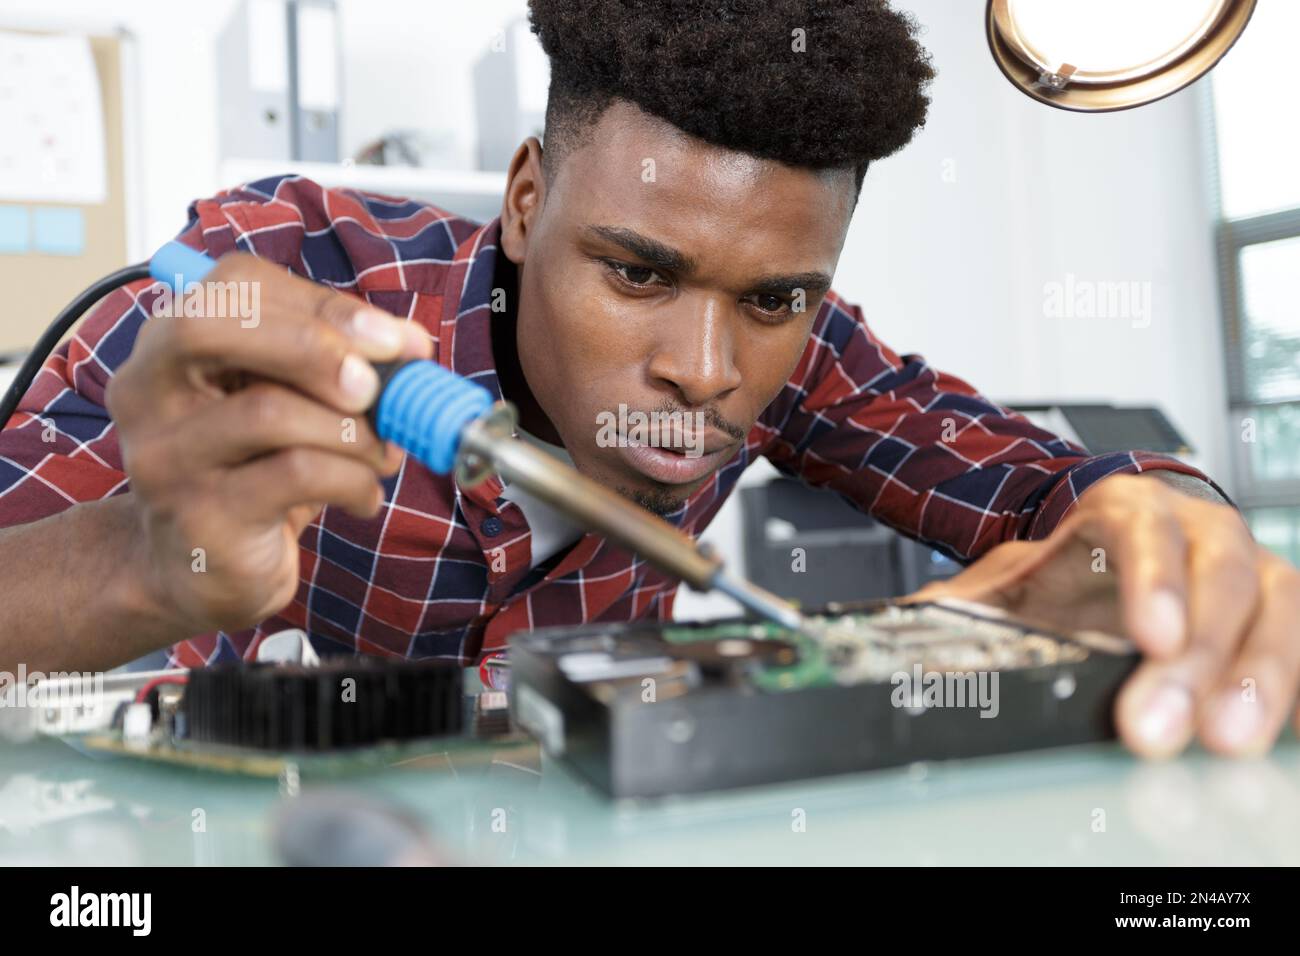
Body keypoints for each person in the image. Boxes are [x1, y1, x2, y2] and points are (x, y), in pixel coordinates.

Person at [0, 0, 1295, 761]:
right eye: (634, 275)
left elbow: (1062, 487)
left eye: (777, 299)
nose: (704, 372)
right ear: (524, 200)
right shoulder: (268, 276)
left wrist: (1175, 528)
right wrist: (132, 561)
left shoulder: (794, 352)